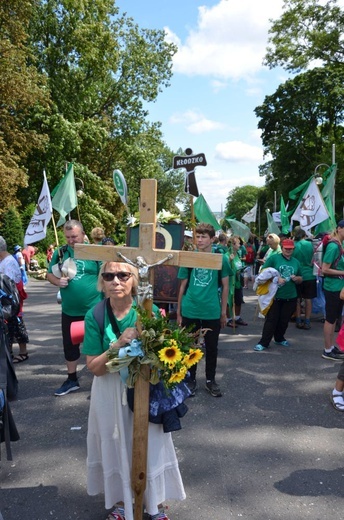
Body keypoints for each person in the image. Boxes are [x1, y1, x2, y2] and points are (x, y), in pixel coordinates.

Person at [82, 261, 185, 520]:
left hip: (144, 388)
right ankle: (120, 503)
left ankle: (156, 505)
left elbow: (164, 357)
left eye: (123, 275)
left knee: (151, 442)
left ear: (134, 280)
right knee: (113, 442)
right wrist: (117, 345)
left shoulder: (150, 311)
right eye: (109, 276)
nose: (116, 281)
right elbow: (94, 367)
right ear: (102, 282)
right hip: (108, 390)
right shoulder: (94, 314)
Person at [46, 220, 102, 396]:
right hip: (70, 310)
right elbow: (49, 274)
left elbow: (105, 276)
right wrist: (57, 281)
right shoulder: (61, 252)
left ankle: (100, 383)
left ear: (83, 234)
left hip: (94, 310)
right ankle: (72, 380)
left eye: (75, 237)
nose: (71, 240)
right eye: (68, 237)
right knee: (70, 346)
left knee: (97, 346)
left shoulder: (94, 252)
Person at [177, 223, 231, 397]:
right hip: (191, 308)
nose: (199, 240)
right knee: (190, 347)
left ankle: (210, 380)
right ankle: (190, 379)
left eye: (203, 237)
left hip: (211, 310)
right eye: (197, 236)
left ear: (212, 239)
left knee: (212, 347)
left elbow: (225, 287)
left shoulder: (221, 258)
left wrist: (224, 312)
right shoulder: (189, 258)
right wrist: (178, 311)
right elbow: (182, 286)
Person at [254, 238, 302, 351]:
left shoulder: (296, 262)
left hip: (290, 295)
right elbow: (263, 273)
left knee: (284, 320)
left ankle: (279, 338)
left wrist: (297, 279)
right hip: (274, 295)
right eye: (286, 248)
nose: (288, 250)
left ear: (293, 249)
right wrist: (276, 278)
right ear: (282, 247)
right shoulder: (274, 258)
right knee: (271, 320)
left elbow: (301, 278)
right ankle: (264, 342)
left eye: (290, 249)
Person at [0, 236, 29, 363]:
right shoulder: (5, 260)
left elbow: (8, 285)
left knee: (14, 325)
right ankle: (10, 352)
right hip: (9, 298)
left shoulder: (9, 262)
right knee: (12, 325)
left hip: (11, 299)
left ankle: (18, 353)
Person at [320, 221, 344, 361]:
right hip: (332, 287)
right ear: (339, 229)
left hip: (338, 287)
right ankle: (327, 350)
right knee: (330, 319)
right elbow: (325, 268)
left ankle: (331, 347)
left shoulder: (339, 244)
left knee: (334, 318)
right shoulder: (333, 246)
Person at [292, 227, 317, 329]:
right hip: (310, 274)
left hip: (297, 274)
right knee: (308, 299)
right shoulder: (310, 245)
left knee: (297, 299)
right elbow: (315, 259)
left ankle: (298, 320)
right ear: (304, 235)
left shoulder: (294, 245)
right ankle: (307, 321)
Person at [226, 235, 247, 327]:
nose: (240, 245)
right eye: (238, 243)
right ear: (232, 245)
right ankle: (228, 319)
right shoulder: (226, 255)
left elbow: (237, 266)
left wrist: (241, 269)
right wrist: (229, 261)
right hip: (230, 283)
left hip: (238, 282)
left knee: (238, 300)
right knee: (229, 300)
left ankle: (237, 318)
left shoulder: (237, 254)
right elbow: (225, 269)